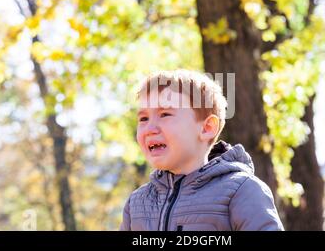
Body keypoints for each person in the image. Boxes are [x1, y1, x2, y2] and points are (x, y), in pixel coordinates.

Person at [119, 69, 284, 231]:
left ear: (207, 128)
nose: (149, 128)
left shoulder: (241, 191)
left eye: (165, 114)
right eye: (143, 118)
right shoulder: (137, 204)